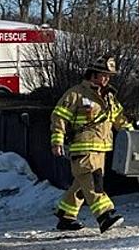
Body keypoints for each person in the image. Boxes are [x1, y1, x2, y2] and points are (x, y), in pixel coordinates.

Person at [50, 56, 132, 233]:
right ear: (93, 75)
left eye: (109, 76)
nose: (107, 79)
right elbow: (59, 117)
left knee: (82, 184)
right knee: (94, 182)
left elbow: (119, 118)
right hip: (83, 148)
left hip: (101, 148)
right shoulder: (76, 94)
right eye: (104, 75)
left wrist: (133, 134)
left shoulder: (108, 96)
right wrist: (57, 139)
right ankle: (105, 216)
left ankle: (66, 216)